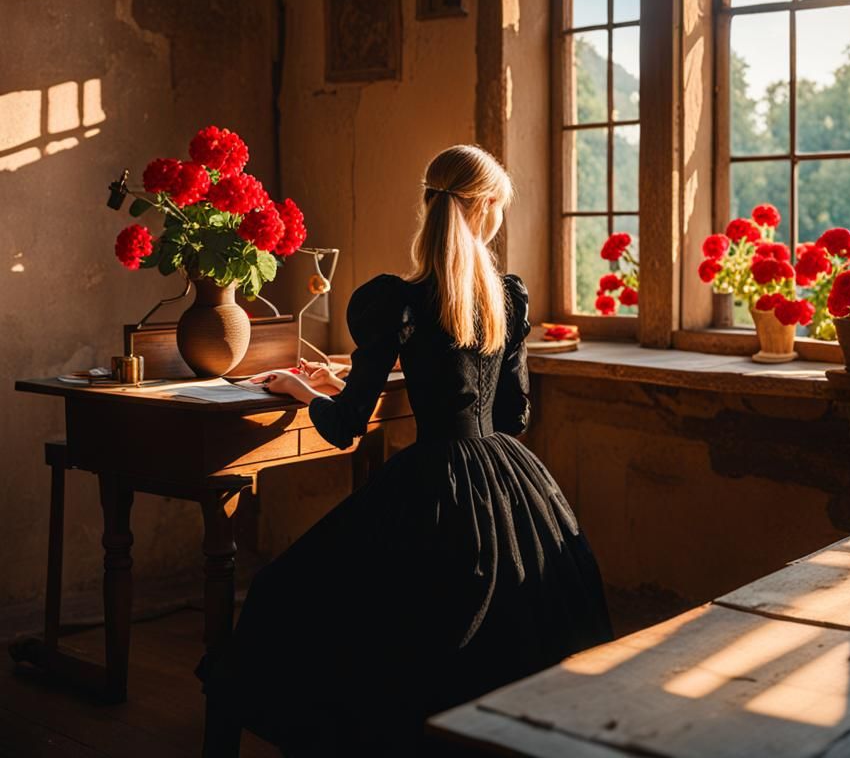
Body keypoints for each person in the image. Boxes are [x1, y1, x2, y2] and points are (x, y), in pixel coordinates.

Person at [201, 144, 612, 755]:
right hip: (506, 480)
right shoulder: (508, 299)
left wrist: (299, 388)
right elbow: (514, 417)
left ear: (431, 204)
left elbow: (344, 427)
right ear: (487, 210)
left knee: (281, 595)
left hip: (432, 482)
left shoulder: (395, 301)